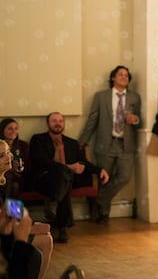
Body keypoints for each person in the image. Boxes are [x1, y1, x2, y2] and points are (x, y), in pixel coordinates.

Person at [29, 113, 109, 243]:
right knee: (64, 176)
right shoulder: (38, 140)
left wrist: (100, 170)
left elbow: (84, 162)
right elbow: (41, 162)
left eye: (60, 121)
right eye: (54, 121)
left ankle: (56, 210)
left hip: (65, 180)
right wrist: (70, 167)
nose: (58, 123)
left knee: (64, 178)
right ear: (48, 124)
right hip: (45, 179)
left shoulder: (71, 143)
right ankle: (62, 228)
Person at [79, 65, 142, 224]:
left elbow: (140, 120)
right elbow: (92, 119)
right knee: (103, 178)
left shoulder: (135, 97)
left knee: (124, 177)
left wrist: (135, 120)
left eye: (126, 75)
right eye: (120, 75)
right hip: (105, 143)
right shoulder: (101, 96)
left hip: (126, 144)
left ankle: (98, 199)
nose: (124, 77)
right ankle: (103, 213)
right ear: (113, 78)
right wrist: (82, 141)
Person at [0, 139, 47, 279]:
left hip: (9, 229)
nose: (8, 157)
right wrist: (30, 228)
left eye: (8, 153)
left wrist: (31, 223)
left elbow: (16, 209)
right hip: (5, 238)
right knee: (45, 241)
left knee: (46, 234)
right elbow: (4, 222)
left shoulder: (5, 181)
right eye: (1, 156)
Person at [0, 118, 31, 194]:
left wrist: (20, 167)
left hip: (19, 176)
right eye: (10, 129)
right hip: (3, 174)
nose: (13, 131)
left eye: (16, 128)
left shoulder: (23, 145)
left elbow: (28, 166)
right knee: (9, 179)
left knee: (15, 184)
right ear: (2, 130)